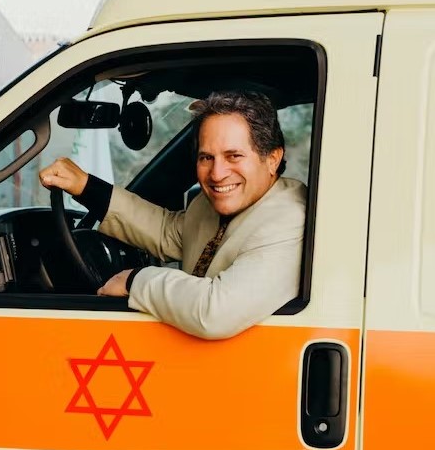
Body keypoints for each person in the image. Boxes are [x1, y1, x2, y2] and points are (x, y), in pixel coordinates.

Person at [37, 90, 305, 340]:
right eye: (206, 158)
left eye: (233, 156)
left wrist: (135, 281)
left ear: (272, 158)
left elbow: (215, 312)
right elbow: (167, 231)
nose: (217, 173)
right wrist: (85, 186)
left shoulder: (289, 218)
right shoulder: (215, 204)